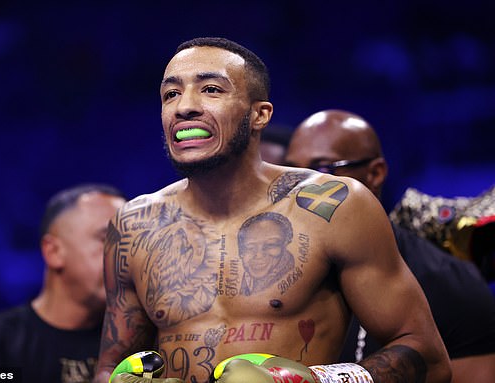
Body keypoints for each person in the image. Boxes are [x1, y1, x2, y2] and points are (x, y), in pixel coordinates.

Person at [94, 37, 451, 383]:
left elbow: (427, 355)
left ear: (260, 115)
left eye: (211, 90)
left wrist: (314, 381)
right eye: (171, 94)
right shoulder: (134, 225)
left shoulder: (334, 205)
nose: (184, 106)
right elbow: (109, 368)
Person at [284, 109, 495, 383]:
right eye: (290, 172)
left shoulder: (449, 283)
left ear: (375, 173)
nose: (302, 186)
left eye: (323, 170)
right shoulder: (267, 267)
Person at [0, 183, 126, 383]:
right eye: (107, 238)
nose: (125, 254)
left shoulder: (141, 345)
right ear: (53, 252)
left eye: (130, 242)